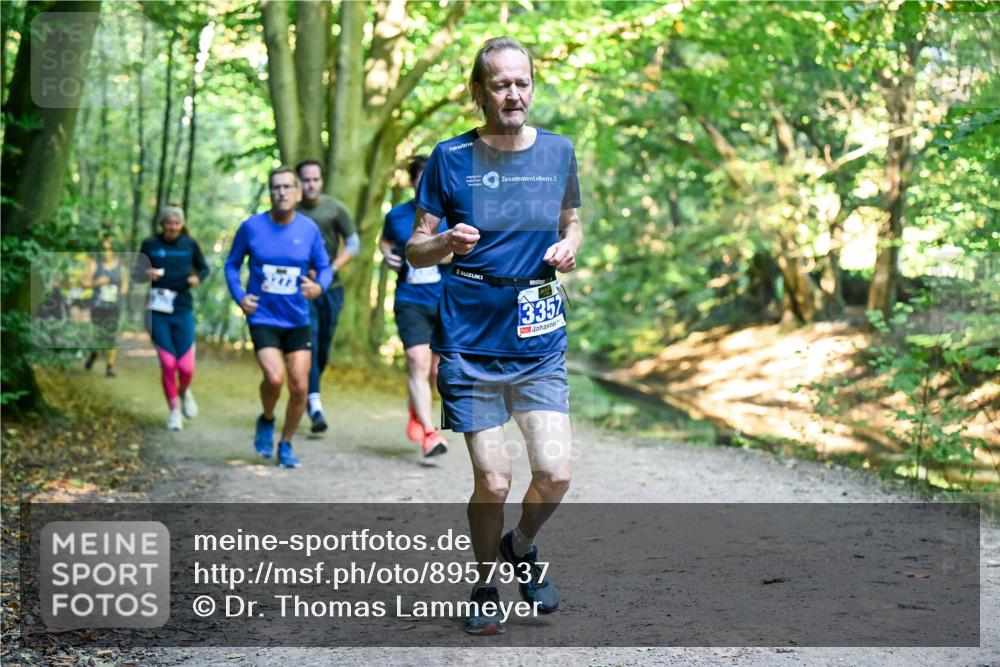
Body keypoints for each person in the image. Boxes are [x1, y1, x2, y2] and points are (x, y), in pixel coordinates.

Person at [406, 36, 582, 635]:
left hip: (537, 337)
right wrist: (444, 243)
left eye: (522, 82)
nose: (514, 93)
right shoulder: (449, 157)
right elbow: (415, 244)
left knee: (555, 473)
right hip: (469, 339)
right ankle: (484, 586)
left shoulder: (559, 152)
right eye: (501, 84)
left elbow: (572, 221)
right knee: (495, 477)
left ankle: (523, 545)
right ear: (479, 93)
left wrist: (569, 248)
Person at [225, 166, 332, 469]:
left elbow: (324, 267)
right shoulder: (251, 227)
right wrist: (239, 296)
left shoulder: (308, 230)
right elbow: (232, 265)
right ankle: (267, 418)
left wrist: (318, 286)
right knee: (274, 378)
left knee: (299, 387)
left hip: (297, 318)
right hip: (263, 316)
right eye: (276, 187)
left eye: (287, 187)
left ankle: (285, 444)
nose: (282, 192)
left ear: (298, 193)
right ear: (270, 193)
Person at [380, 155, 451, 458]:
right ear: (412, 182)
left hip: (444, 299)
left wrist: (436, 252)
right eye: (421, 177)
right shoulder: (396, 215)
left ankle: (415, 407)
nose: (426, 183)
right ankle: (430, 434)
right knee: (417, 362)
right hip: (410, 299)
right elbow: (385, 242)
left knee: (435, 371)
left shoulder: (452, 214)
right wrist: (387, 255)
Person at [295, 160, 359, 434]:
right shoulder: (290, 211)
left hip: (332, 289)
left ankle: (308, 390)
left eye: (315, 179)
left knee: (323, 347)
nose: (310, 184)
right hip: (301, 290)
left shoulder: (334, 208)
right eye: (305, 180)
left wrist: (331, 268)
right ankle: (315, 403)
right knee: (310, 343)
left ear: (321, 181)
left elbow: (354, 243)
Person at [136, 206, 210, 431]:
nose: (173, 227)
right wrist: (145, 274)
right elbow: (135, 272)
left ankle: (185, 390)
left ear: (182, 224)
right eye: (168, 223)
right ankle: (174, 412)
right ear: (162, 224)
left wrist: (197, 278)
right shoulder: (150, 244)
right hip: (156, 310)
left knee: (186, 367)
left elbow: (204, 268)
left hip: (182, 308)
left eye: (177, 223)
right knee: (168, 364)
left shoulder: (190, 244)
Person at [82, 236, 127, 378]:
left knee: (111, 335)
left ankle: (110, 366)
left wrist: (121, 291)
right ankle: (94, 354)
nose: (104, 252)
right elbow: (84, 282)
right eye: (102, 249)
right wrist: (97, 283)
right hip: (97, 305)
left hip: (113, 306)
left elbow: (125, 284)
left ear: (113, 250)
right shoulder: (94, 264)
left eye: (107, 249)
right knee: (97, 334)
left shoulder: (121, 266)